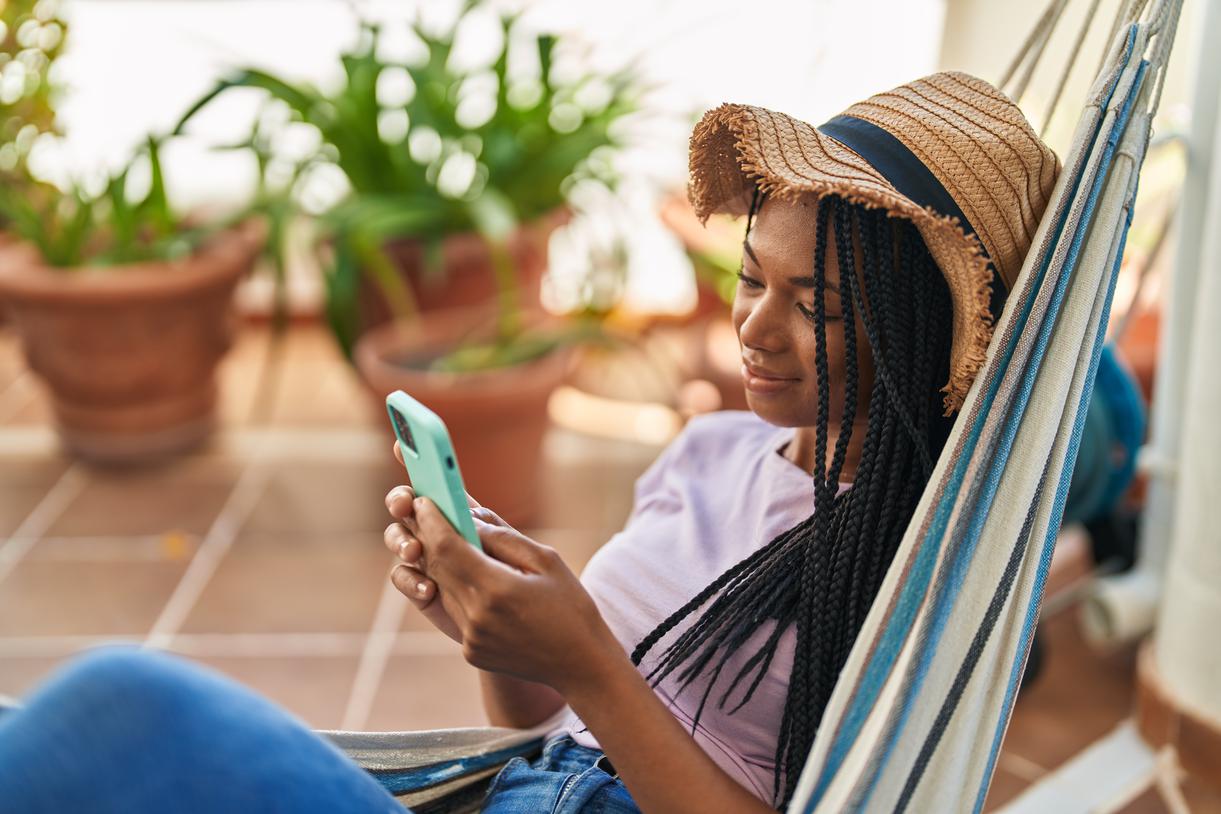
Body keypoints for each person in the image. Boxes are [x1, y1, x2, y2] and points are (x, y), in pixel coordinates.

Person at [0, 72, 1057, 813]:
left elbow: (602, 697)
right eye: (749, 277)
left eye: (813, 304)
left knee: (112, 712)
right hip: (519, 786)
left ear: (916, 328)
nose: (753, 325)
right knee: (40, 737)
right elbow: (538, 712)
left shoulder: (919, 563)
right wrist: (496, 629)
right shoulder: (710, 452)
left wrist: (591, 663)